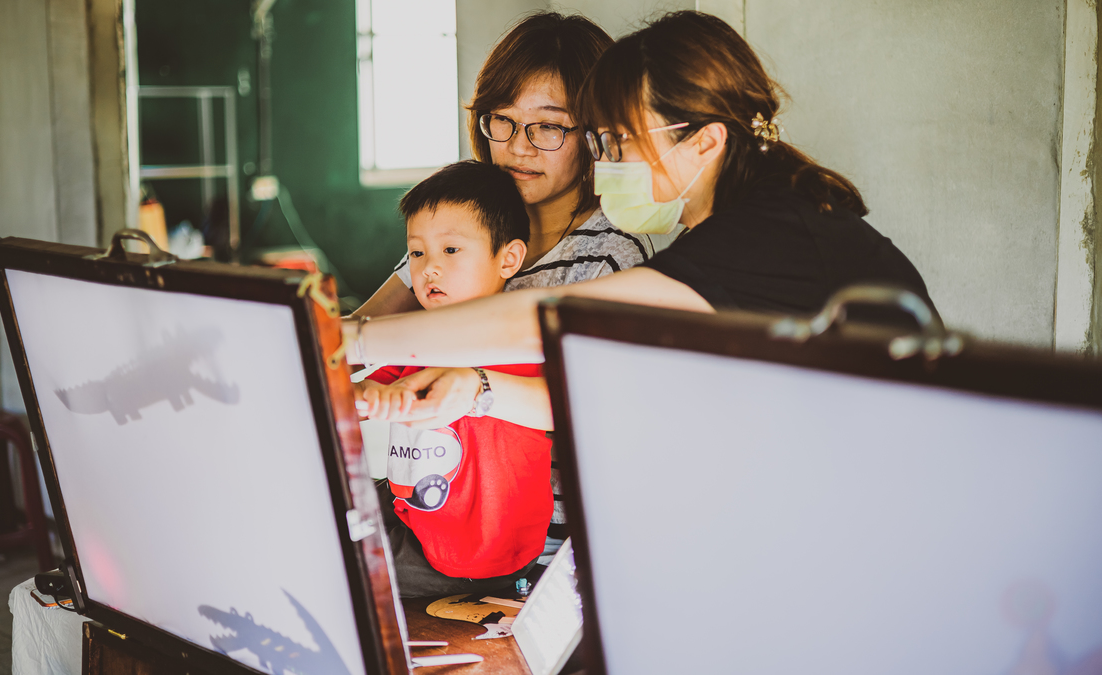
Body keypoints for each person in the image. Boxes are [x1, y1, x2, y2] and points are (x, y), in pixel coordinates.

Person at [342, 11, 934, 427]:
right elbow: (618, 394)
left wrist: (354, 337)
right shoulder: (739, 226)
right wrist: (479, 390)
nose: (606, 162)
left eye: (619, 140)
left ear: (704, 143)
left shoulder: (768, 232)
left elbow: (554, 318)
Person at [353, 12, 667, 319]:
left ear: (595, 133)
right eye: (503, 120)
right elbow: (358, 328)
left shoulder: (611, 256)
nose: (518, 147)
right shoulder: (460, 221)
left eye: (547, 126)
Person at [356, 160, 553, 597]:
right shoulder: (424, 334)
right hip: (415, 514)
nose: (429, 269)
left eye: (450, 251)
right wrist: (361, 395)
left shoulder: (517, 341)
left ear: (509, 259)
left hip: (473, 556)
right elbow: (370, 381)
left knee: (341, 566)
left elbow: (557, 402)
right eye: (418, 253)